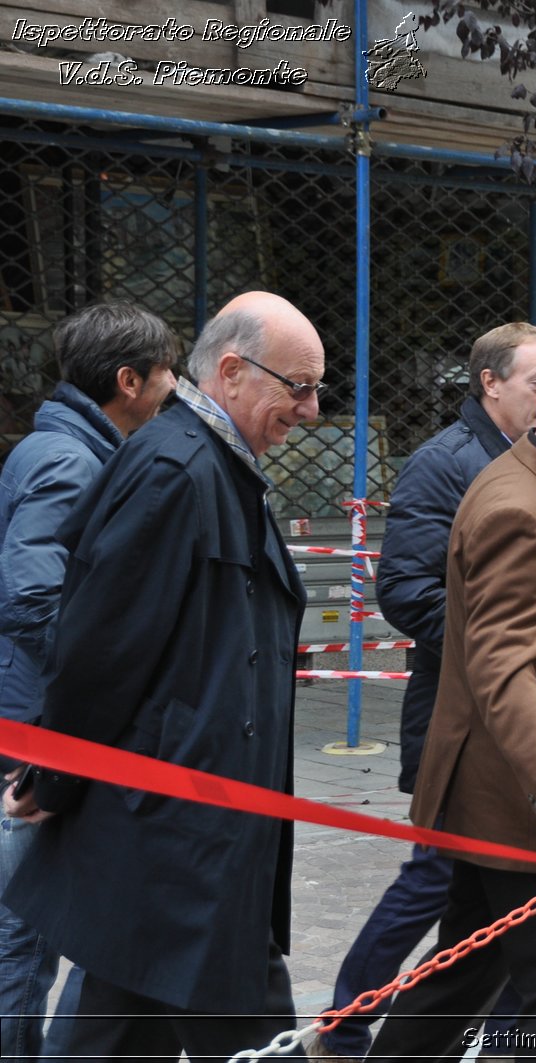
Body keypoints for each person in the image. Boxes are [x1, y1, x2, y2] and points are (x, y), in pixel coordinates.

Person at [1, 291, 322, 1059]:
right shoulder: (175, 467)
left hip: (192, 829)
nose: (311, 409)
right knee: (239, 1024)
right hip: (182, 828)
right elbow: (101, 643)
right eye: (299, 386)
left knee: (117, 1024)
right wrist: (56, 773)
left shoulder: (214, 463)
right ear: (235, 371)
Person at [367, 345, 536, 1062]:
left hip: (515, 796)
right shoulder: (519, 507)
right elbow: (500, 670)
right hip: (532, 806)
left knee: (463, 972)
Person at [316, 322, 536, 1060]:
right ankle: (346, 1024)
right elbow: (405, 590)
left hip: (526, 723)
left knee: (521, 900)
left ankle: (480, 1039)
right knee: (436, 881)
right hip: (460, 724)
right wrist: (510, 641)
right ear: (489, 382)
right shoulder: (445, 464)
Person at [0, 303, 179, 1061]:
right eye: (167, 370)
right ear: (129, 380)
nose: (176, 385)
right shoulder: (71, 460)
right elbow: (29, 594)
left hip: (42, 715)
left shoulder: (69, 447)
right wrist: (106, 668)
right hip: (39, 723)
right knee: (24, 932)